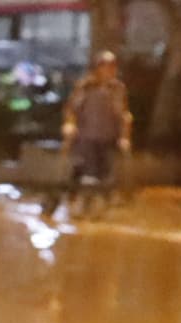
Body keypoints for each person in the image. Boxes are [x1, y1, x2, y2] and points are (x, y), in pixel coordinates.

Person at [65, 52, 133, 214]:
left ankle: (101, 207)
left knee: (106, 173)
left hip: (109, 137)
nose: (108, 70)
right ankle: (83, 205)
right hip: (87, 137)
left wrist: (125, 137)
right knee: (88, 171)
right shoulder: (85, 87)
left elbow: (124, 115)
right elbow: (72, 109)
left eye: (111, 67)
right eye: (104, 66)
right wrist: (69, 125)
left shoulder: (118, 88)